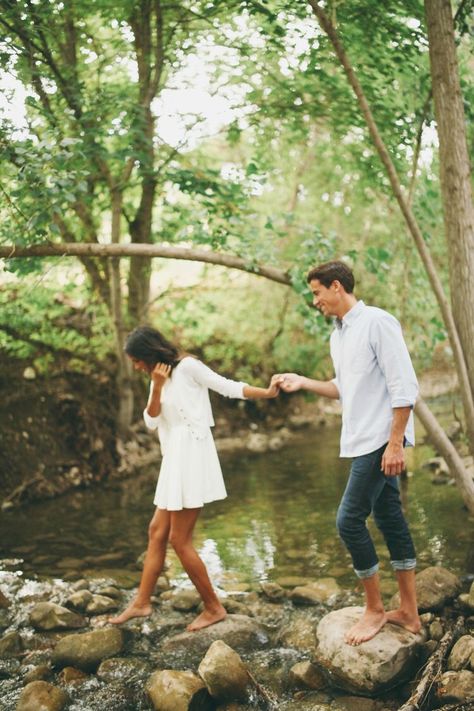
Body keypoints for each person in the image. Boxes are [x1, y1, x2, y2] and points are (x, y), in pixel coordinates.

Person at [274, 260, 421, 646]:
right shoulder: (337, 335)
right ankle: (408, 612)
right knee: (389, 516)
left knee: (348, 520)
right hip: (362, 439)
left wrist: (395, 443)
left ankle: (374, 609)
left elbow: (404, 385)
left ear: (336, 286)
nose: (315, 301)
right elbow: (343, 387)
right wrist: (302, 381)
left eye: (317, 293)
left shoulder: (377, 322)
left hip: (380, 439)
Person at [110, 326, 280, 632]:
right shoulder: (158, 377)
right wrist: (158, 387)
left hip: (191, 452)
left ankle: (214, 608)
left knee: (179, 539)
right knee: (156, 531)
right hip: (174, 456)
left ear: (150, 352)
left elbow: (227, 386)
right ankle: (141, 603)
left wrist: (266, 393)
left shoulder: (188, 367)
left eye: (137, 359)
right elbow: (150, 421)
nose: (136, 366)